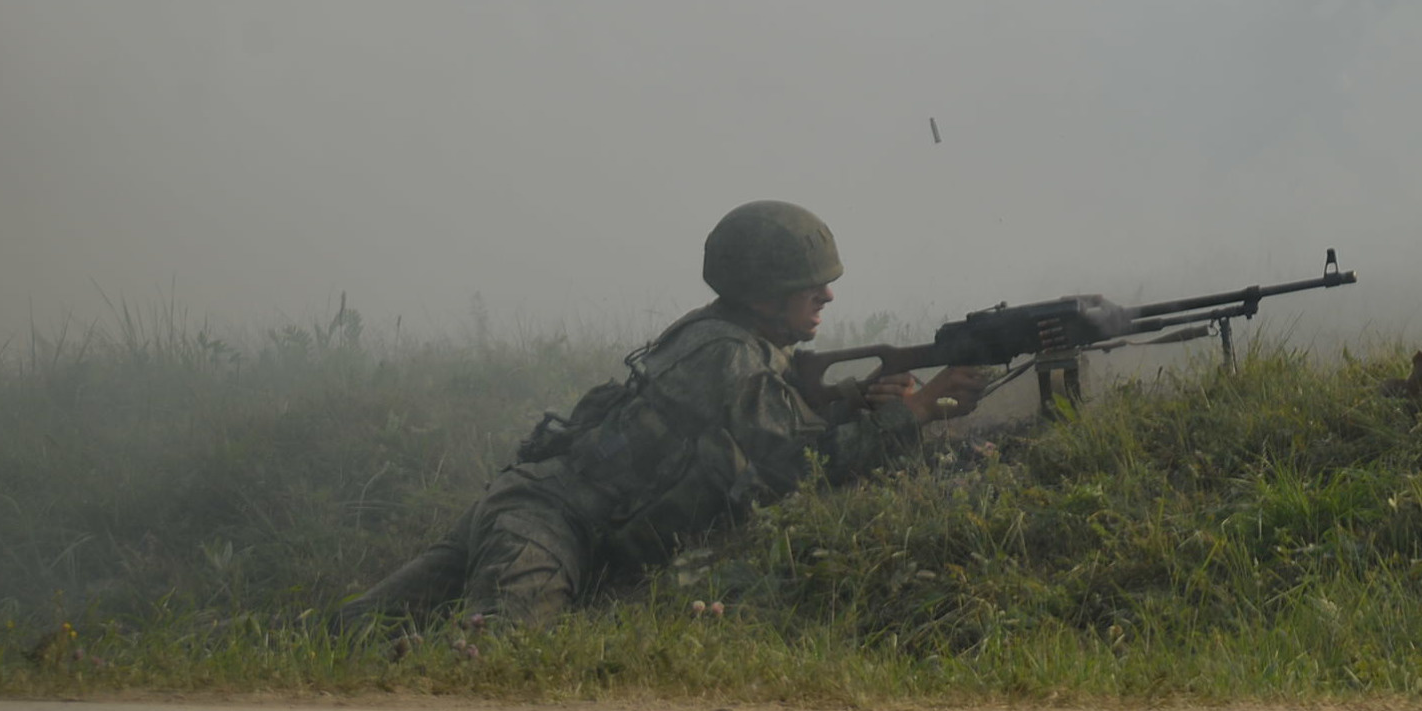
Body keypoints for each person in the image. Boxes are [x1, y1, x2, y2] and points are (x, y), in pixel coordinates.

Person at [341, 201, 978, 626]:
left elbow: (781, 424)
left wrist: (856, 404)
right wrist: (916, 412)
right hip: (550, 520)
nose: (828, 295)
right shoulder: (729, 355)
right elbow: (796, 466)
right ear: (761, 293)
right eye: (810, 284)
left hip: (533, 503)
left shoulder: (730, 338)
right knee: (499, 652)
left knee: (355, 629)